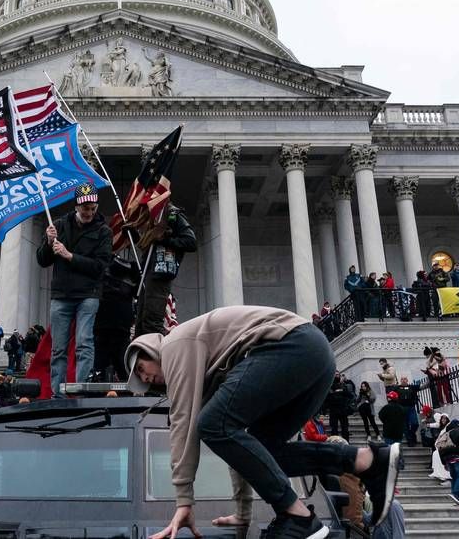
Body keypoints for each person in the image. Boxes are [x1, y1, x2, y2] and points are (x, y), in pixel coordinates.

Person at [125, 305, 401, 538]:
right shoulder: (208, 369)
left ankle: (299, 517)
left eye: (141, 369)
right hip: (315, 356)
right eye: (141, 381)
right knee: (260, 448)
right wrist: (243, 512)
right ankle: (366, 461)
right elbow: (241, 450)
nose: (146, 379)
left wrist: (183, 500)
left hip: (292, 346)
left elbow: (183, 426)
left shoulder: (174, 345)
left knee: (210, 424)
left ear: (151, 349)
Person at [37, 183, 112, 397]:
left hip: (88, 294)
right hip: (62, 295)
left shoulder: (103, 231)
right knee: (58, 348)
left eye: (92, 207)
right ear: (77, 206)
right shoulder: (59, 226)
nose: (89, 212)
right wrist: (49, 242)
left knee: (84, 343)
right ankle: (58, 394)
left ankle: (81, 391)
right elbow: (42, 260)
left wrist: (70, 256)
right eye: (85, 207)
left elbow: (100, 266)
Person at [132, 203, 197, 336]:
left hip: (161, 274)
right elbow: (148, 246)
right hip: (147, 274)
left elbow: (191, 242)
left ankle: (160, 354)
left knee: (152, 322)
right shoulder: (149, 215)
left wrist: (165, 239)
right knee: (141, 324)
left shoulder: (171, 214)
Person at [437, 418, 459, 506]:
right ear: (458, 425)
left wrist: (444, 462)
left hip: (448, 460)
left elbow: (440, 449)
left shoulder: (445, 434)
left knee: (454, 478)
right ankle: (455, 493)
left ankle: (457, 498)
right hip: (458, 458)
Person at [325, 371, 354, 443]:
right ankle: (334, 445)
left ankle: (346, 443)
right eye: (335, 375)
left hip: (343, 410)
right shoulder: (329, 385)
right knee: (334, 429)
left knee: (345, 429)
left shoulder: (343, 386)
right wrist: (337, 392)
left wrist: (342, 390)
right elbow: (327, 398)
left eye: (338, 375)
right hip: (333, 411)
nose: (337, 376)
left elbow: (350, 395)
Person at [395, 376, 420, 447]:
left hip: (411, 407)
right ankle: (410, 441)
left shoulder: (411, 387)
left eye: (405, 379)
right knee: (405, 426)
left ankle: (412, 434)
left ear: (407, 380)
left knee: (415, 423)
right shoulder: (397, 388)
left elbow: (421, 386)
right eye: (402, 379)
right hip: (402, 408)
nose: (403, 380)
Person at [428, 414, 452, 482]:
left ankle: (445, 476)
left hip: (446, 448)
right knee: (435, 454)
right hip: (440, 449)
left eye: (445, 419)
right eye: (442, 419)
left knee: (438, 457)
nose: (443, 420)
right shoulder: (442, 427)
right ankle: (439, 473)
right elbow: (437, 424)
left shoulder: (448, 427)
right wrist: (429, 425)